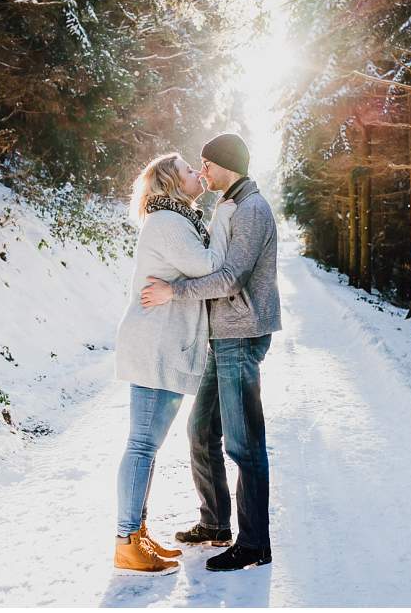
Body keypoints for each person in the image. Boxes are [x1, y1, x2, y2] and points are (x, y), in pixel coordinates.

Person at [140, 132, 281, 572]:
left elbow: (231, 278)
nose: (202, 172)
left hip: (241, 334)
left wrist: (173, 292)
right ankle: (216, 524)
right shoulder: (228, 205)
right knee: (201, 433)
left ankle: (254, 543)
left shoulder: (252, 210)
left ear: (227, 166)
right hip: (221, 336)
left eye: (207, 164)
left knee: (243, 443)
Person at [112, 152, 237, 575]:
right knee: (142, 444)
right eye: (188, 170)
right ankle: (126, 540)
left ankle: (137, 533)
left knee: (149, 446)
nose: (197, 173)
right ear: (171, 182)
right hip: (153, 346)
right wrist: (223, 216)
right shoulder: (167, 223)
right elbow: (207, 265)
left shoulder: (179, 221)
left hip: (166, 347)